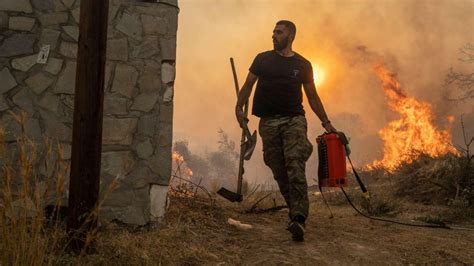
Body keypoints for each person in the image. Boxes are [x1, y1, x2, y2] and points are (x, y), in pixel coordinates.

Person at [235, 20, 337, 241]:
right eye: (273, 31)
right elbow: (247, 86)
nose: (273, 35)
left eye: (278, 32)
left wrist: (326, 123)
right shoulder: (262, 59)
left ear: (290, 36)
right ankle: (294, 211)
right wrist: (238, 108)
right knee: (278, 167)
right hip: (268, 122)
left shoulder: (303, 64)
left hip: (294, 121)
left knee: (294, 163)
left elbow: (312, 96)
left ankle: (299, 218)